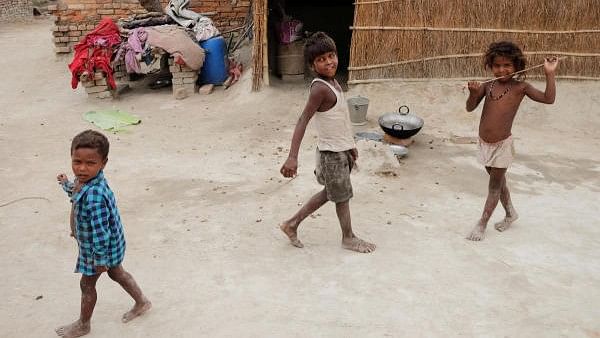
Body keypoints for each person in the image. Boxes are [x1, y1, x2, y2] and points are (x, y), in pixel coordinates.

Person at [279, 32, 376, 253]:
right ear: (313, 66)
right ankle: (348, 237)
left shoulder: (333, 82)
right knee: (341, 196)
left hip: (339, 150)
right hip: (331, 154)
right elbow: (303, 119)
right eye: (321, 60)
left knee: (333, 191)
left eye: (331, 56)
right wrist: (292, 156)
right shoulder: (320, 89)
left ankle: (291, 224)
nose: (329, 62)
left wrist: (350, 145)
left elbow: (340, 119)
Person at [55, 130, 151, 337]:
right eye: (76, 161)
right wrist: (65, 184)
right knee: (118, 274)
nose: (82, 168)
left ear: (103, 163)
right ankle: (142, 302)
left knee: (86, 284)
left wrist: (99, 259)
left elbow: (101, 232)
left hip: (100, 249)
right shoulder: (86, 180)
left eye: (90, 163)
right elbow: (75, 191)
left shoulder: (95, 197)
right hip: (109, 246)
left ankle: (83, 324)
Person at [465, 41, 558, 241]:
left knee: (494, 185)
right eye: (497, 65)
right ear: (491, 66)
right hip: (484, 143)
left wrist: (549, 73)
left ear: (517, 66)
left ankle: (482, 223)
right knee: (499, 181)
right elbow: (470, 108)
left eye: (507, 65)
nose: (502, 69)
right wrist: (473, 94)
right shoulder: (487, 86)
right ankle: (510, 214)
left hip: (502, 146)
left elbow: (548, 99)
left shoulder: (521, 87)